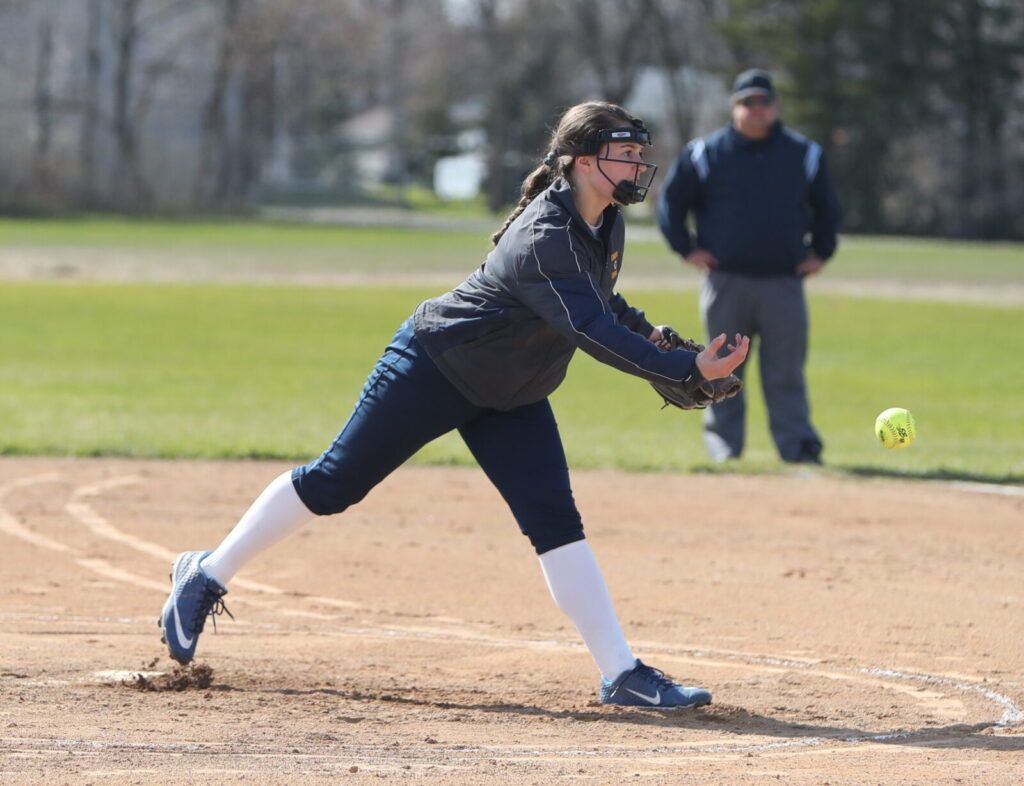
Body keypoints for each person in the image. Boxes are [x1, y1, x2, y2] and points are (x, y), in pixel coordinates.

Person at [159, 101, 750, 709]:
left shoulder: (603, 223)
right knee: (336, 482)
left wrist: (664, 344)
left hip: (513, 392)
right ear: (580, 161)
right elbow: (589, 327)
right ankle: (206, 573)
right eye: (623, 153)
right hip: (437, 366)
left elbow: (606, 305)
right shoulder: (544, 235)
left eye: (638, 154)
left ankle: (620, 673)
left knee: (556, 525)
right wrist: (685, 368)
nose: (637, 165)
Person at [657, 69, 841, 464]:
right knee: (720, 369)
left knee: (786, 372)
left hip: (783, 281)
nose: (755, 111)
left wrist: (820, 252)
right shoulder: (705, 153)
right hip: (726, 280)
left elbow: (829, 208)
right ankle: (725, 448)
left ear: (775, 106)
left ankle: (798, 448)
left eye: (763, 102)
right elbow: (671, 203)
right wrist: (685, 248)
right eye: (747, 103)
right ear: (733, 107)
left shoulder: (803, 153)